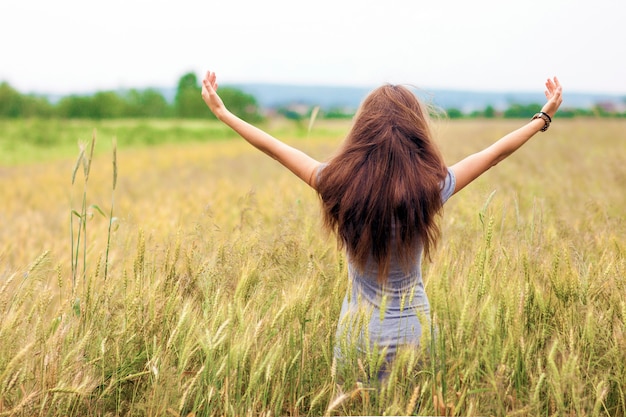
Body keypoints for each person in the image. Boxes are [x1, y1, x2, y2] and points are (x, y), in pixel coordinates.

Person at [200, 71, 563, 381]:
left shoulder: (334, 182)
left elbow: (274, 147)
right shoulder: (431, 189)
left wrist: (224, 113)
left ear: (362, 131)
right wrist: (542, 118)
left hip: (356, 337)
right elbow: (493, 154)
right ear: (417, 133)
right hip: (414, 336)